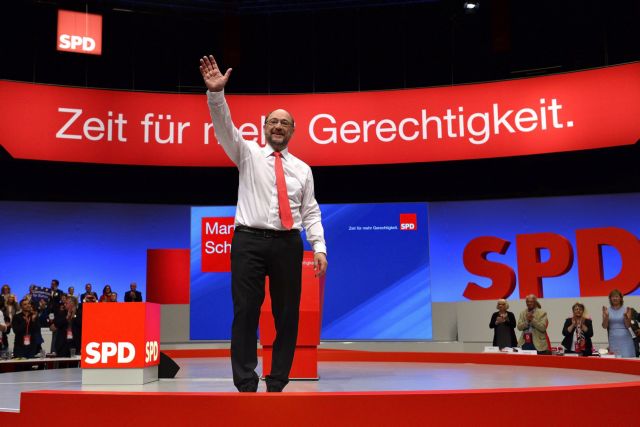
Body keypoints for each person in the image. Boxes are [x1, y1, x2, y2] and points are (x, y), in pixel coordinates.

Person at [200, 54, 328, 393]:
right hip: (249, 242)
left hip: (288, 244)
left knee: (287, 315)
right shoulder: (247, 153)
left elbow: (311, 211)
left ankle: (278, 380)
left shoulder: (302, 169)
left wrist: (319, 247)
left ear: (292, 131)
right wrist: (216, 94)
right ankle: (245, 381)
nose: (278, 126)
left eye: (284, 123)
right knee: (245, 311)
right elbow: (224, 127)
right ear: (264, 127)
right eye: (273, 121)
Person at [602, 289, 635, 358]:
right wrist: (606, 316)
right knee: (615, 359)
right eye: (613, 296)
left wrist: (626, 317)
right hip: (613, 338)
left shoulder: (626, 309)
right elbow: (604, 326)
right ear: (610, 299)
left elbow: (628, 326)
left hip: (625, 339)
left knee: (627, 359)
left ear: (620, 298)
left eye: (617, 296)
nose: (615, 298)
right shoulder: (607, 310)